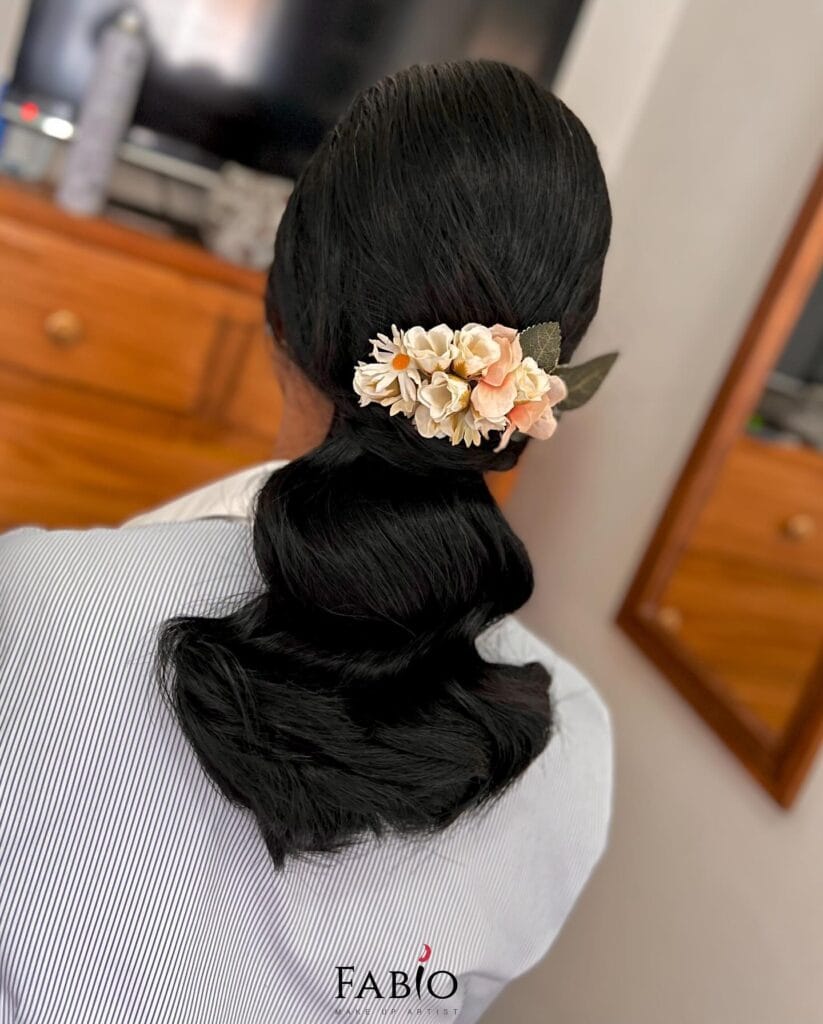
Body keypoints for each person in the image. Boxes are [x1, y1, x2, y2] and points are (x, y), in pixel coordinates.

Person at [0, 60, 613, 1023]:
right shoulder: (576, 748)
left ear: (279, 309)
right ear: (534, 383)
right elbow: (424, 995)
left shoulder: (35, 615)